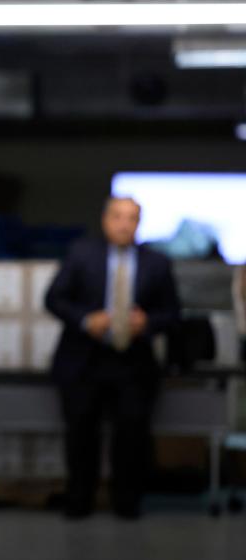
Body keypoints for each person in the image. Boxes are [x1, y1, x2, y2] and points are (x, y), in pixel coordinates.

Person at [45, 196, 180, 520]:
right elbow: (54, 299)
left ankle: (127, 503)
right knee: (80, 435)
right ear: (106, 220)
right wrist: (86, 319)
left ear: (139, 224)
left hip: (132, 362)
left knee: (131, 437)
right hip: (83, 360)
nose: (124, 224)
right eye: (118, 216)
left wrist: (147, 322)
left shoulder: (157, 263)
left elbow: (173, 313)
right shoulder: (81, 254)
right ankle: (79, 501)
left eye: (132, 218)